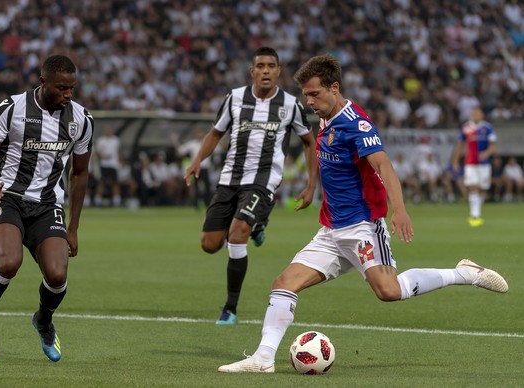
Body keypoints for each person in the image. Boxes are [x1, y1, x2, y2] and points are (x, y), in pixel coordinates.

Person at [218, 54, 508, 374]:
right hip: (330, 230)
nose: (309, 101)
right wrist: (313, 186)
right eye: (306, 96)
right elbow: (326, 162)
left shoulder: (356, 124)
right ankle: (262, 359)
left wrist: (399, 210)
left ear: (334, 87)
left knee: (389, 291)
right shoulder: (325, 117)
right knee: (283, 283)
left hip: (362, 227)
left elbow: (384, 165)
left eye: (314, 94)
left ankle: (463, 273)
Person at [0, 54, 94, 364]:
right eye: (62, 88)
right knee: (10, 262)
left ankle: (43, 320)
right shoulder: (13, 108)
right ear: (43, 83)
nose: (68, 95)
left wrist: (74, 228)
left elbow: (79, 174)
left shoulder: (81, 119)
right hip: (6, 197)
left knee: (57, 274)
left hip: (47, 203)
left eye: (72, 88)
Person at [184, 47, 318, 325]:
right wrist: (197, 159)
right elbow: (215, 132)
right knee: (209, 245)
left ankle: (230, 309)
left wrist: (311, 184)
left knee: (237, 235)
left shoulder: (290, 104)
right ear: (252, 71)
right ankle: (258, 225)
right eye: (261, 65)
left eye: (271, 65)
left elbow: (309, 141)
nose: (266, 70)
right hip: (230, 178)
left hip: (263, 180)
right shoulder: (234, 98)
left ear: (279, 71)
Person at [451, 107, 497, 227]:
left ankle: (477, 210)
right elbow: (460, 145)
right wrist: (455, 161)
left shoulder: (487, 128)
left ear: (482, 115)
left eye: (478, 113)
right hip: (470, 162)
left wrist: (486, 153)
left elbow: (493, 146)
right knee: (473, 186)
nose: (475, 115)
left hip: (484, 163)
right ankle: (475, 214)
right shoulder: (466, 128)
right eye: (473, 113)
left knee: (483, 188)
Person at [94, 126, 121, 207]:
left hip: (114, 164)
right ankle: (98, 201)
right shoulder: (100, 140)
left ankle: (117, 201)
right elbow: (97, 152)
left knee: (115, 182)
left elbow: (118, 152)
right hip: (104, 164)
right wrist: (103, 157)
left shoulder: (116, 140)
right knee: (101, 182)